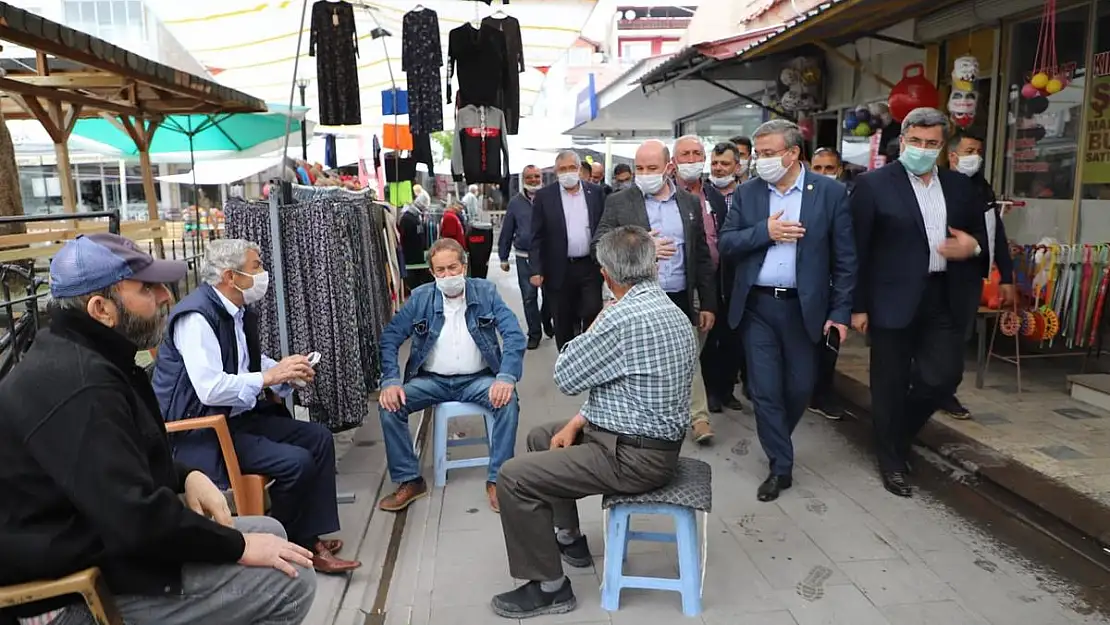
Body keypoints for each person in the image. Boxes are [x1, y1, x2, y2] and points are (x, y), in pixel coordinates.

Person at [0, 233, 316, 625]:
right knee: (291, 579)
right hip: (71, 591)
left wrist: (186, 477)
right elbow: (136, 518)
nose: (166, 296)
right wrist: (237, 546)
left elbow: (125, 468)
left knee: (270, 532)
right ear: (101, 308)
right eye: (148, 288)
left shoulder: (92, 358)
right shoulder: (83, 385)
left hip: (99, 545)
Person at [491, 226, 696, 619]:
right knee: (543, 436)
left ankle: (549, 587)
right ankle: (569, 539)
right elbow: (626, 385)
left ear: (606, 275)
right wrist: (576, 422)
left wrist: (601, 317)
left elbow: (566, 376)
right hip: (643, 439)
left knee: (513, 477)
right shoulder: (670, 309)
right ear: (653, 267)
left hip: (633, 456)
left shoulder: (621, 318)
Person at [153, 239, 360, 574]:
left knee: (318, 438)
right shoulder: (196, 319)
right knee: (296, 462)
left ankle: (306, 535)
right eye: (255, 266)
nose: (262, 273)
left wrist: (285, 372)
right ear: (229, 277)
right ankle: (283, 542)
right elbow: (210, 388)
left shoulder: (237, 311)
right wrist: (269, 377)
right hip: (201, 429)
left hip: (235, 417)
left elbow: (246, 362)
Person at [851, 107, 988, 497]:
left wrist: (972, 246)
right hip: (889, 299)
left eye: (932, 144)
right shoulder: (874, 185)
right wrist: (857, 306)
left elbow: (981, 235)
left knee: (943, 376)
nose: (923, 150)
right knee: (889, 383)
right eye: (916, 142)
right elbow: (855, 250)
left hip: (942, 295)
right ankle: (891, 459)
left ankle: (895, 434)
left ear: (943, 147)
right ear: (904, 140)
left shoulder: (960, 187)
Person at [719, 119, 857, 502]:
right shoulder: (748, 195)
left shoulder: (829, 194)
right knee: (764, 390)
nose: (760, 161)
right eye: (758, 154)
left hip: (804, 308)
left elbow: (846, 260)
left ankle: (777, 437)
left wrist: (841, 311)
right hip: (758, 306)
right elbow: (727, 243)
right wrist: (765, 231)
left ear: (793, 153)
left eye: (768, 154)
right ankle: (781, 465)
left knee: (799, 387)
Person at [377, 238, 526, 513]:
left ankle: (497, 480)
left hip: (477, 379)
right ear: (432, 273)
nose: (448, 276)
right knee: (389, 406)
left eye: (453, 268)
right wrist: (391, 381)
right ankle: (409, 479)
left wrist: (506, 376)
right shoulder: (421, 298)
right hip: (431, 381)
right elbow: (389, 338)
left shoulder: (485, 292)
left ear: (464, 266)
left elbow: (514, 334)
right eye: (441, 270)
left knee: (508, 401)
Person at [595, 138, 717, 444]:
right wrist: (639, 243)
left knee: (688, 356)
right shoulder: (620, 201)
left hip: (678, 295)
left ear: (669, 168)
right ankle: (633, 419)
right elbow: (597, 243)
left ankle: (699, 418)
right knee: (636, 360)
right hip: (637, 296)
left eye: (652, 167)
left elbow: (701, 254)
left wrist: (708, 302)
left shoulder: (688, 203)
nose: (644, 173)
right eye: (639, 168)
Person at [941, 130, 1015, 420]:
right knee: (931, 335)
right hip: (935, 273)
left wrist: (1007, 276)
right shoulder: (937, 185)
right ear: (953, 155)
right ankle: (922, 385)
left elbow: (997, 235)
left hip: (968, 276)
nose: (976, 157)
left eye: (978, 152)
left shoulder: (982, 190)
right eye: (970, 150)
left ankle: (947, 392)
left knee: (960, 336)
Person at [530, 150, 606, 350]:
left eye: (571, 168)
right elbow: (536, 235)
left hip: (590, 266)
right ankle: (567, 362)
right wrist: (536, 269)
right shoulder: (545, 196)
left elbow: (603, 227)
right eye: (562, 169)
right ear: (556, 172)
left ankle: (589, 356)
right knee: (563, 319)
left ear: (579, 169)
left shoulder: (595, 193)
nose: (567, 173)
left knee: (592, 311)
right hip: (558, 268)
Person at [806, 146, 854, 421]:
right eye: (818, 168)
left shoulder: (848, 198)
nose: (823, 174)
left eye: (829, 169)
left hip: (838, 283)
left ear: (839, 170)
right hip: (812, 283)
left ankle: (823, 393)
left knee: (831, 342)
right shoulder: (804, 201)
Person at [702, 141, 748, 412]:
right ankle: (710, 391)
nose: (719, 169)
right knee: (710, 335)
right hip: (710, 276)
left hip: (737, 277)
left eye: (725, 164)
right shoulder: (702, 195)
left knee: (733, 336)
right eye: (715, 164)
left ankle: (728, 390)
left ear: (737, 167)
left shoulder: (747, 196)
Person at [499, 164, 554, 349]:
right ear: (524, 179)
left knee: (551, 295)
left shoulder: (549, 199)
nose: (533, 180)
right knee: (529, 297)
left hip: (547, 255)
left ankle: (546, 320)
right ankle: (534, 333)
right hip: (524, 257)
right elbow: (507, 230)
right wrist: (503, 257)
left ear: (542, 178)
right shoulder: (516, 202)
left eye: (536, 176)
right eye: (529, 177)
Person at [400, 188, 432, 291]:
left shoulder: (415, 217)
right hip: (411, 257)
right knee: (415, 280)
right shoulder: (408, 218)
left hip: (417, 256)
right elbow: (404, 238)